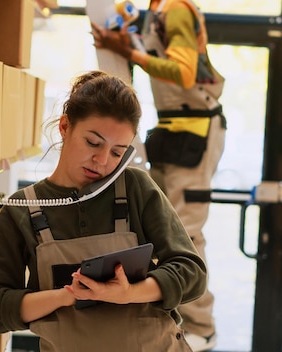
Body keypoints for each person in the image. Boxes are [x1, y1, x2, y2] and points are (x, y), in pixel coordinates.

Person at [0, 70, 207, 352]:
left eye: (117, 152)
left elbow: (192, 272)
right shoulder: (21, 209)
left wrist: (129, 293)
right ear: (64, 126)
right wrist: (65, 296)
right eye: (93, 143)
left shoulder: (135, 188)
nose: (101, 160)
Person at [91, 1, 227, 351]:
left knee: (186, 234)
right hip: (172, 130)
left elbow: (183, 73)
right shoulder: (156, 13)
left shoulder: (176, 9)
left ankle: (202, 326)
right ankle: (180, 319)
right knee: (164, 231)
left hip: (194, 130)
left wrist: (129, 53)